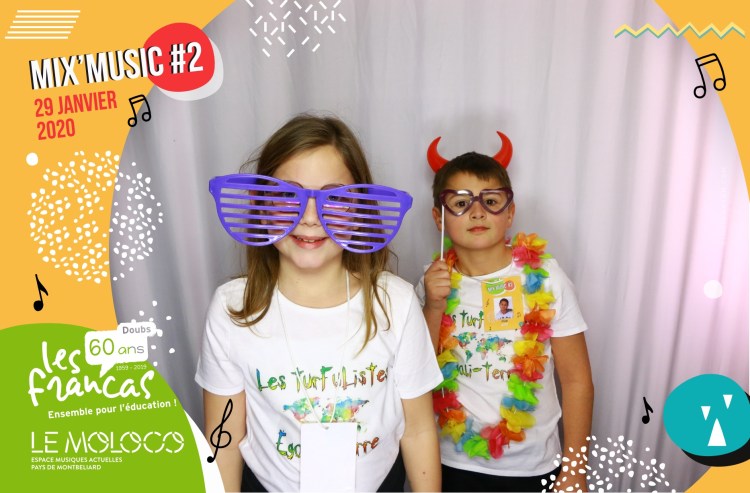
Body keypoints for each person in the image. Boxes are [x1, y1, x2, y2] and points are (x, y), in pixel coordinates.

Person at [196, 114, 442, 492]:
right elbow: (223, 441)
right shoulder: (232, 309)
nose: (310, 217)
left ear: (358, 211)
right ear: (262, 205)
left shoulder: (396, 303)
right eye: (287, 195)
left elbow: (419, 430)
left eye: (335, 198)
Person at [417, 145, 594, 492]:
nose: (477, 212)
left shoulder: (546, 278)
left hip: (534, 467)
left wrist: (575, 471)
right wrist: (434, 307)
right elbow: (416, 374)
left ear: (510, 213)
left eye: (491, 201)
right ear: (439, 218)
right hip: (451, 463)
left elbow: (577, 381)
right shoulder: (432, 283)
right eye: (460, 203)